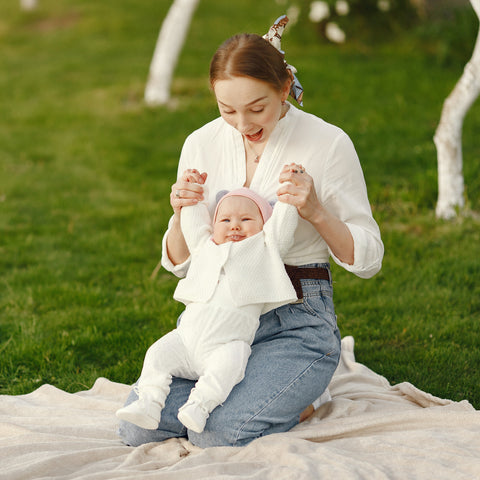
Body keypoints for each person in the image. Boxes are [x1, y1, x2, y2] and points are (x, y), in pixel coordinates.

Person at [118, 14, 384, 448]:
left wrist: (314, 210)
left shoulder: (328, 143)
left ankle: (310, 389)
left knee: (220, 431)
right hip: (216, 322)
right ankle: (265, 393)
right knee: (136, 427)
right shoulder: (201, 143)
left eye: (257, 108)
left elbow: (369, 259)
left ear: (284, 89)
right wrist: (179, 212)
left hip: (296, 318)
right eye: (227, 111)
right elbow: (180, 265)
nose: (243, 124)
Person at [116, 185, 299, 433]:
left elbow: (282, 230)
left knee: (231, 363)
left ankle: (199, 406)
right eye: (225, 220)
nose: (235, 225)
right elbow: (193, 226)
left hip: (224, 345)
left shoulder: (265, 249)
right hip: (186, 339)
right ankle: (149, 402)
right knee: (157, 354)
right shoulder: (205, 247)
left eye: (246, 219)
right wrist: (192, 202)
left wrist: (288, 201)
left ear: (264, 225)